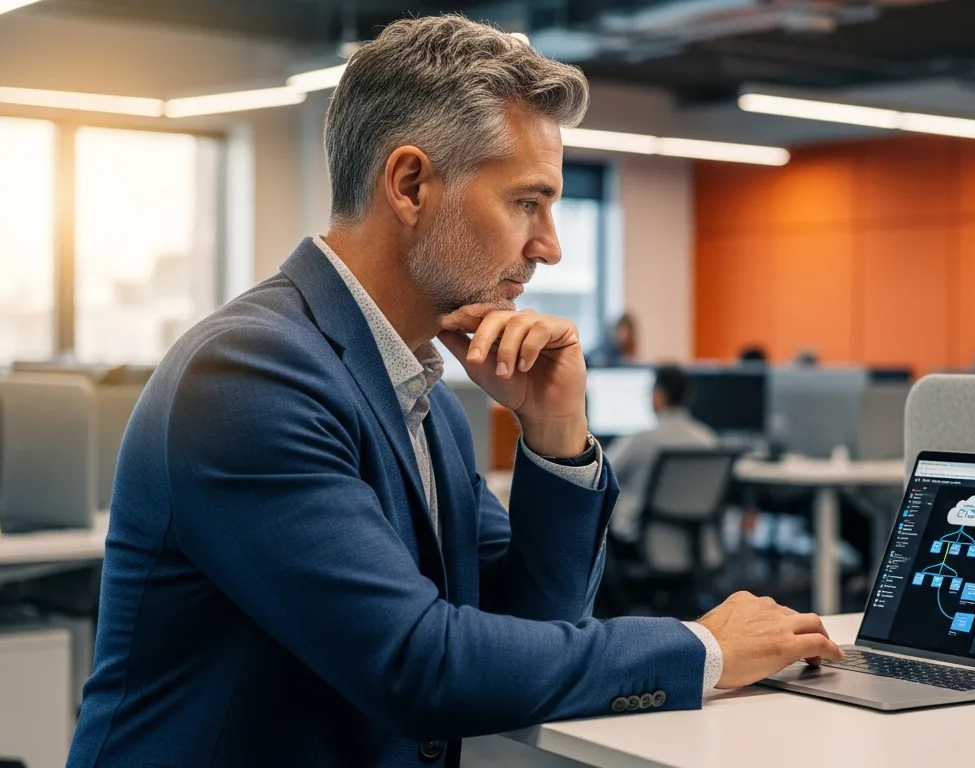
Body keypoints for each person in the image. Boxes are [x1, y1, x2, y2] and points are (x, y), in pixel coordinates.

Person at [67, 16, 839, 767]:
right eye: (527, 202)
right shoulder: (249, 374)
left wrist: (555, 431)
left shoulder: (428, 400)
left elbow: (530, 626)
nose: (550, 247)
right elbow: (418, 666)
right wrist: (701, 649)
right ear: (410, 185)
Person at [606, 366, 718, 545]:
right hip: (695, 543)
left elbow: (603, 475)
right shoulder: (708, 440)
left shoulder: (642, 440)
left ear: (659, 395)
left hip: (644, 542)